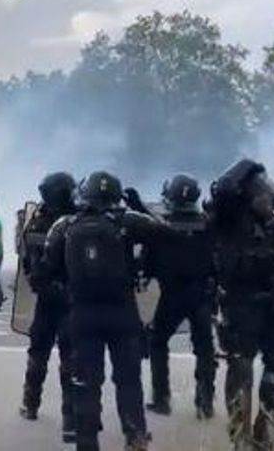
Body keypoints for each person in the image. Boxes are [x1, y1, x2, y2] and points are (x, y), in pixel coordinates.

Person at [36, 171, 169, 451]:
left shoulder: (65, 225)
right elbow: (163, 233)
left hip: (83, 314)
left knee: (86, 381)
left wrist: (67, 291)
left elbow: (44, 273)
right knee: (129, 380)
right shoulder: (128, 221)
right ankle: (135, 436)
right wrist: (139, 206)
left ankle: (86, 442)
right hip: (122, 310)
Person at [207, 159, 274, 450]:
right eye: (261, 195)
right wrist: (250, 167)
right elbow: (225, 189)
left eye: (269, 195)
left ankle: (267, 432)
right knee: (241, 370)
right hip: (241, 306)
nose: (268, 200)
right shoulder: (229, 223)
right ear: (248, 198)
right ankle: (241, 439)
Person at [143, 174, 217, 419]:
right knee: (204, 347)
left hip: (172, 295)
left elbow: (148, 262)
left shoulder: (162, 226)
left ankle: (161, 398)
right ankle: (205, 401)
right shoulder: (208, 224)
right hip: (202, 294)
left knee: (157, 340)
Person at [19, 172, 78, 443]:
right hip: (73, 300)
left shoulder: (36, 223)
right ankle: (71, 421)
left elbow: (28, 266)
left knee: (38, 353)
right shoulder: (80, 221)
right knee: (71, 359)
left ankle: (30, 405)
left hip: (46, 298)